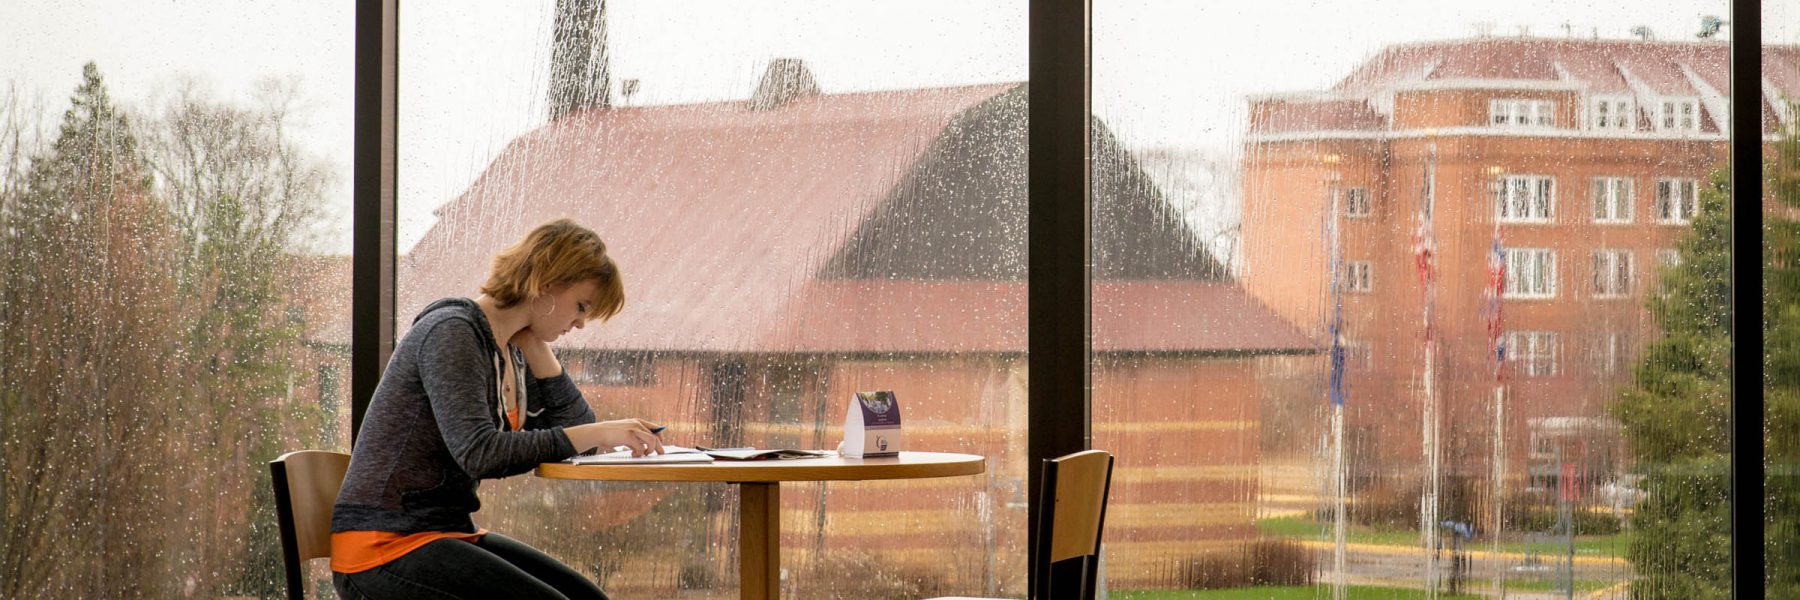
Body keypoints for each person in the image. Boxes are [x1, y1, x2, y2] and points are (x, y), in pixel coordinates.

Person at [330, 219, 662, 600]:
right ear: (547, 283)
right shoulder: (451, 331)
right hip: (383, 548)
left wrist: (537, 346)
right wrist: (604, 431)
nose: (582, 323)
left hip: (444, 532)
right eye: (581, 306)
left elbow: (580, 442)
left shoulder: (509, 350)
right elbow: (479, 453)